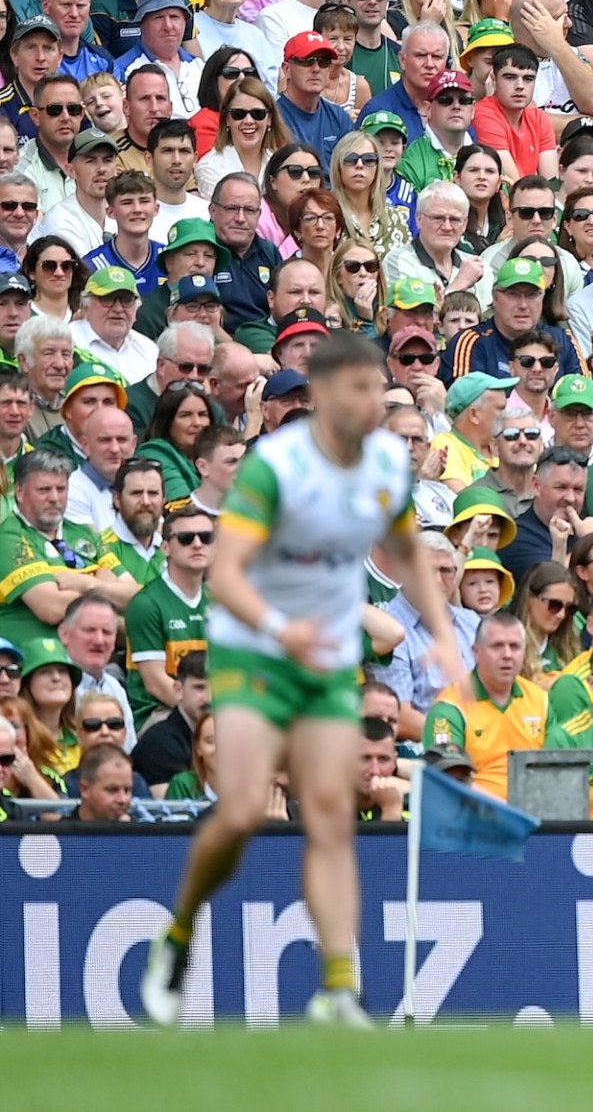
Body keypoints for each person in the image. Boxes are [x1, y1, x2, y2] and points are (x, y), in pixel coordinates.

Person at [139, 331, 457, 1028]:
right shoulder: (275, 468)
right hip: (256, 651)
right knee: (246, 807)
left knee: (330, 816)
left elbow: (406, 549)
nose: (374, 403)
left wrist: (442, 637)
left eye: (379, 389)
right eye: (360, 389)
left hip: (326, 657)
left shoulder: (381, 464)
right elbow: (224, 575)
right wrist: (283, 630)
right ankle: (179, 935)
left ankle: (338, 988)